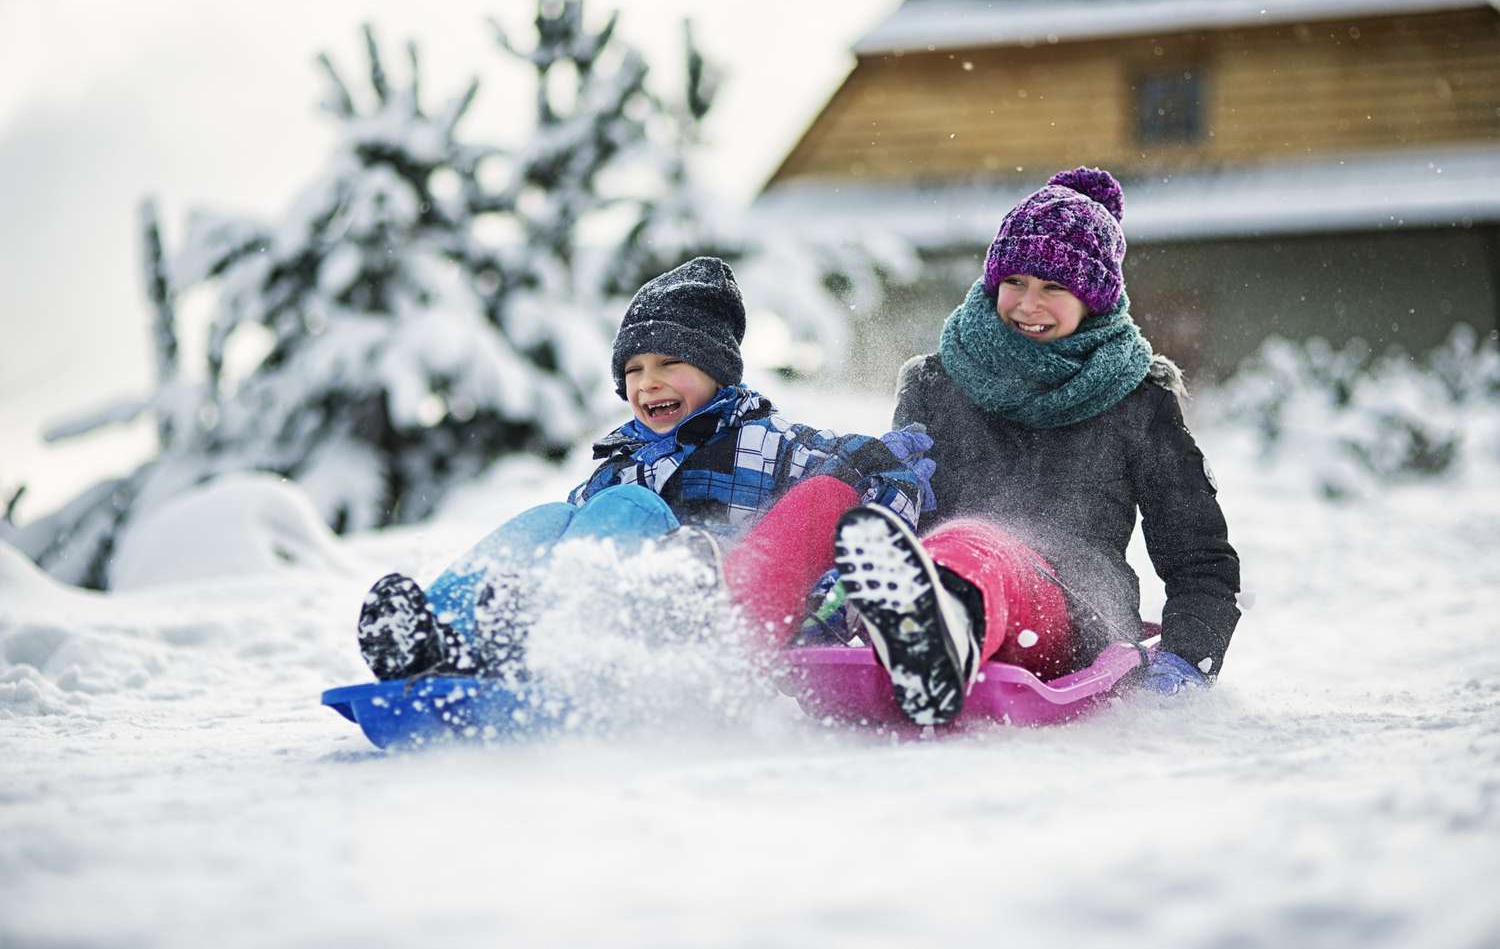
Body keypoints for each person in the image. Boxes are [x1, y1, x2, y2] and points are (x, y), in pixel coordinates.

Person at [356, 256, 930, 682]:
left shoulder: (778, 446)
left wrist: (834, 602)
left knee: (629, 506)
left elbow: (888, 497)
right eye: (633, 369)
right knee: (551, 514)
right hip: (602, 620)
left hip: (706, 624)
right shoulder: (621, 463)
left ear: (718, 371)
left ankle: (545, 632)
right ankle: (434, 635)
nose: (648, 382)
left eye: (671, 363)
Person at [831, 168, 1242, 726]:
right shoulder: (935, 382)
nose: (1028, 304)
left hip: (1079, 608)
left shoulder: (1138, 400)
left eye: (1054, 288)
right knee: (862, 504)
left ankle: (937, 626)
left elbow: (1199, 557)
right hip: (930, 569)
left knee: (974, 540)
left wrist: (1188, 659)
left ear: (1093, 301)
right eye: (1015, 282)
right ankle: (911, 622)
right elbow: (904, 505)